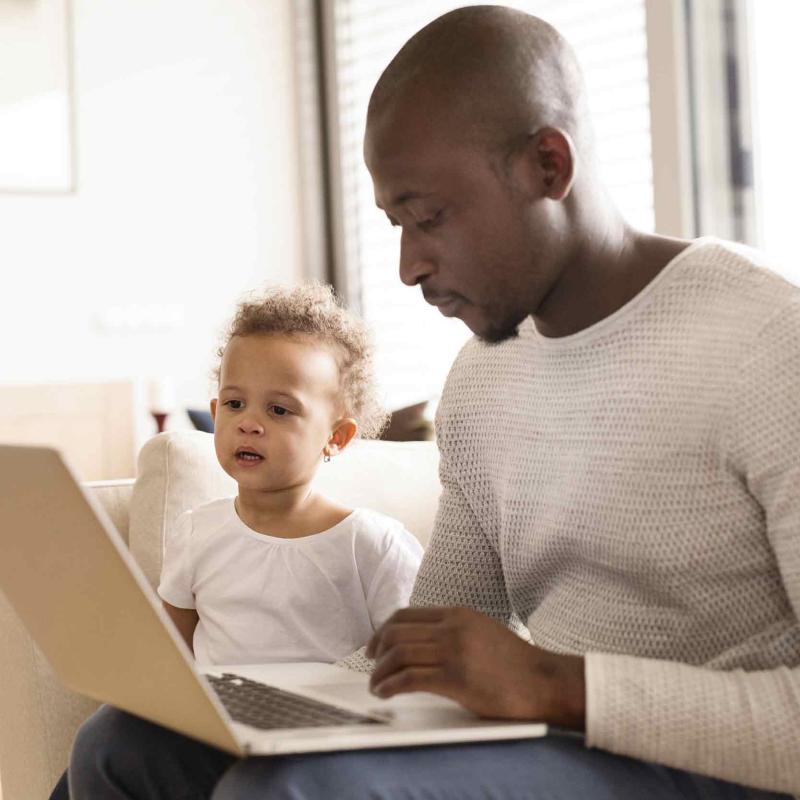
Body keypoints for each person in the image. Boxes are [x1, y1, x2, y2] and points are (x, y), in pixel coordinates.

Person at [62, 6, 800, 799]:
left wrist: (560, 685)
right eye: (395, 225)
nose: (410, 266)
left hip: (712, 773)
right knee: (122, 744)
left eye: (429, 217)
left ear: (548, 167)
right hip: (555, 744)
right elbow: (433, 634)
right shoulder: (485, 379)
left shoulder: (766, 347)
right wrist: (269, 708)